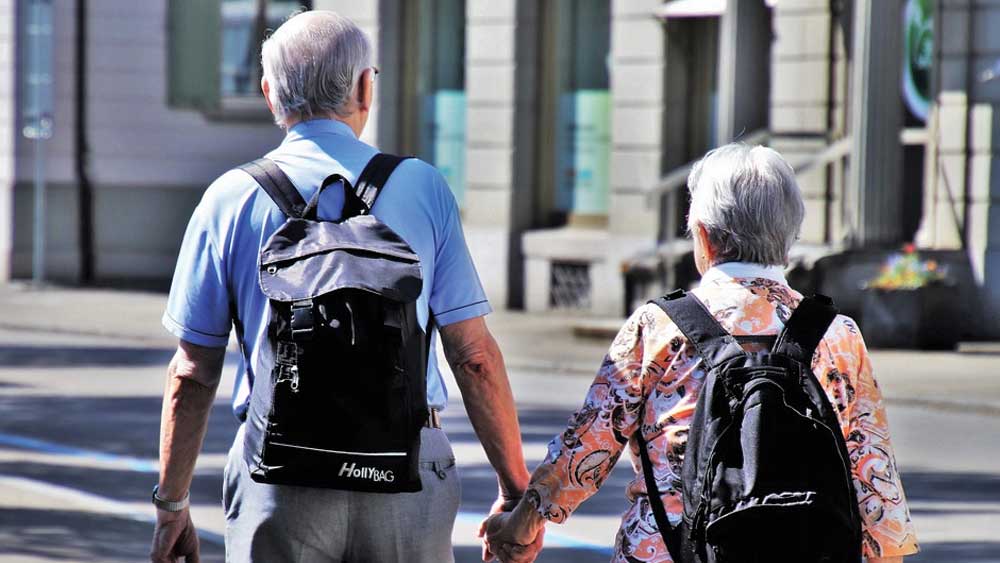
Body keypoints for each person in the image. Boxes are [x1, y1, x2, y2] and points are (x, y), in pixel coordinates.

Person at [150, 11, 540, 562]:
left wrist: (172, 504)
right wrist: (516, 488)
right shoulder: (423, 187)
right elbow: (473, 356)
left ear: (268, 93)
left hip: (280, 472)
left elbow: (192, 372)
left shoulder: (228, 198)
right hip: (406, 470)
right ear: (364, 87)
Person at [484, 144, 920, 563]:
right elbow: (875, 478)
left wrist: (522, 524)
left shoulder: (658, 327)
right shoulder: (838, 335)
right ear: (788, 240)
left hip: (666, 549)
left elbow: (588, 447)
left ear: (705, 238)